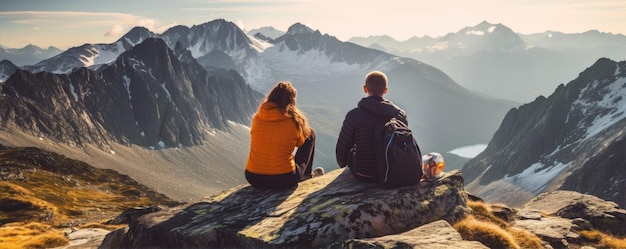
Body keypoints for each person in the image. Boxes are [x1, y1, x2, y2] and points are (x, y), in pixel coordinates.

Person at [245, 81, 320, 189]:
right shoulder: (294, 121)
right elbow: (300, 143)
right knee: (310, 134)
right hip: (283, 178)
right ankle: (306, 175)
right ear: (291, 101)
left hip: (253, 177)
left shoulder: (257, 117)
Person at [335, 71, 408, 183]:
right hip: (392, 171)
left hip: (364, 173)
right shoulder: (399, 114)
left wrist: (343, 165)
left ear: (365, 89)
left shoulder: (354, 115)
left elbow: (342, 148)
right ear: (385, 90)